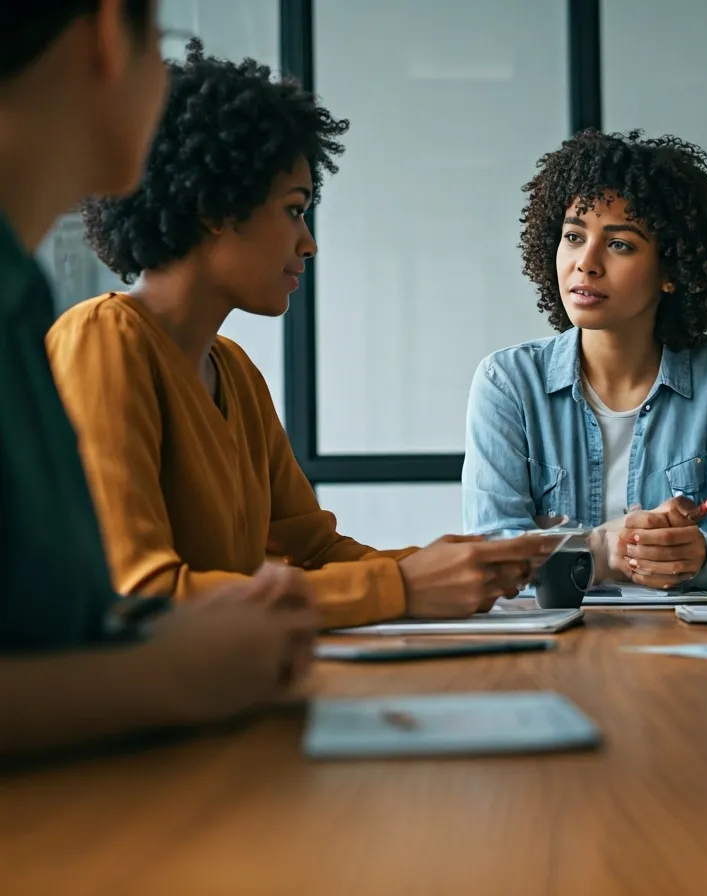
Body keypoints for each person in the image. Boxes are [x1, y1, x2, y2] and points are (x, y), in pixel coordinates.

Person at [45, 41, 550, 631]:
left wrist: (460, 566)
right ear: (216, 208)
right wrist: (401, 586)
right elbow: (141, 596)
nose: (307, 242)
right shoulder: (103, 340)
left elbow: (315, 552)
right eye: (293, 209)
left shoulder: (232, 369)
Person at [0, 0, 320, 759]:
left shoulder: (23, 302)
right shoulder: (90, 334)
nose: (307, 244)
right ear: (110, 35)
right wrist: (175, 669)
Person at [462, 129, 707, 594]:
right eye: (574, 236)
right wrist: (603, 552)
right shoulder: (507, 382)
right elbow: (490, 555)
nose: (586, 263)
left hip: (689, 649)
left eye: (620, 244)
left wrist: (701, 556)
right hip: (555, 651)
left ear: (670, 271)